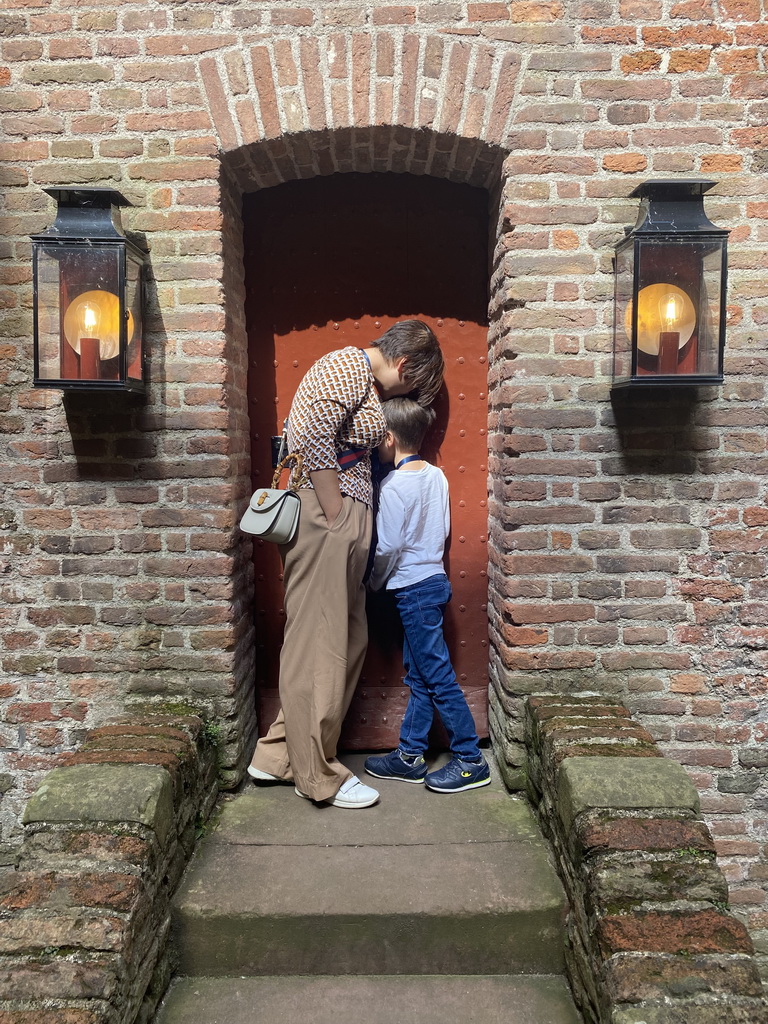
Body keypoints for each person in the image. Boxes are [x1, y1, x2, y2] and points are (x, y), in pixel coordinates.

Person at [247, 321, 444, 809]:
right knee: (320, 642)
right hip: (325, 517)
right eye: (415, 383)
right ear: (404, 365)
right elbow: (311, 435)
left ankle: (275, 757)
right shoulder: (344, 366)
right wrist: (336, 513)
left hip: (341, 520)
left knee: (345, 637)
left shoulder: (363, 383)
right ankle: (317, 776)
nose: (410, 391)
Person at [364, 397, 490, 793]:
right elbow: (444, 528)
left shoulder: (392, 484)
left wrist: (372, 581)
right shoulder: (437, 476)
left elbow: (387, 547)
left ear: (387, 438)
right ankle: (409, 755)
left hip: (411, 590)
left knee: (436, 676)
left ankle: (471, 760)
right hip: (433, 582)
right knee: (421, 674)